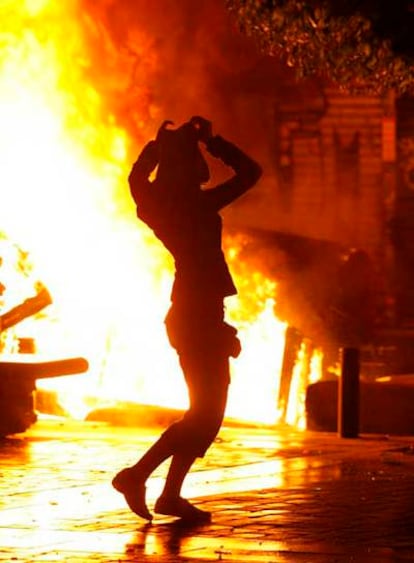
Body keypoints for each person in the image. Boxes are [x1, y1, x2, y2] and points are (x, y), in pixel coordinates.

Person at [112, 116, 262, 523]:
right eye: (195, 155)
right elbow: (251, 172)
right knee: (205, 413)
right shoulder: (195, 203)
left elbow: (135, 178)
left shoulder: (156, 205)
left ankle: (168, 494)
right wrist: (214, 141)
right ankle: (138, 475)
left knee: (205, 413)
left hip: (193, 314)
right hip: (198, 317)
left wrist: (156, 149)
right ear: (187, 164)